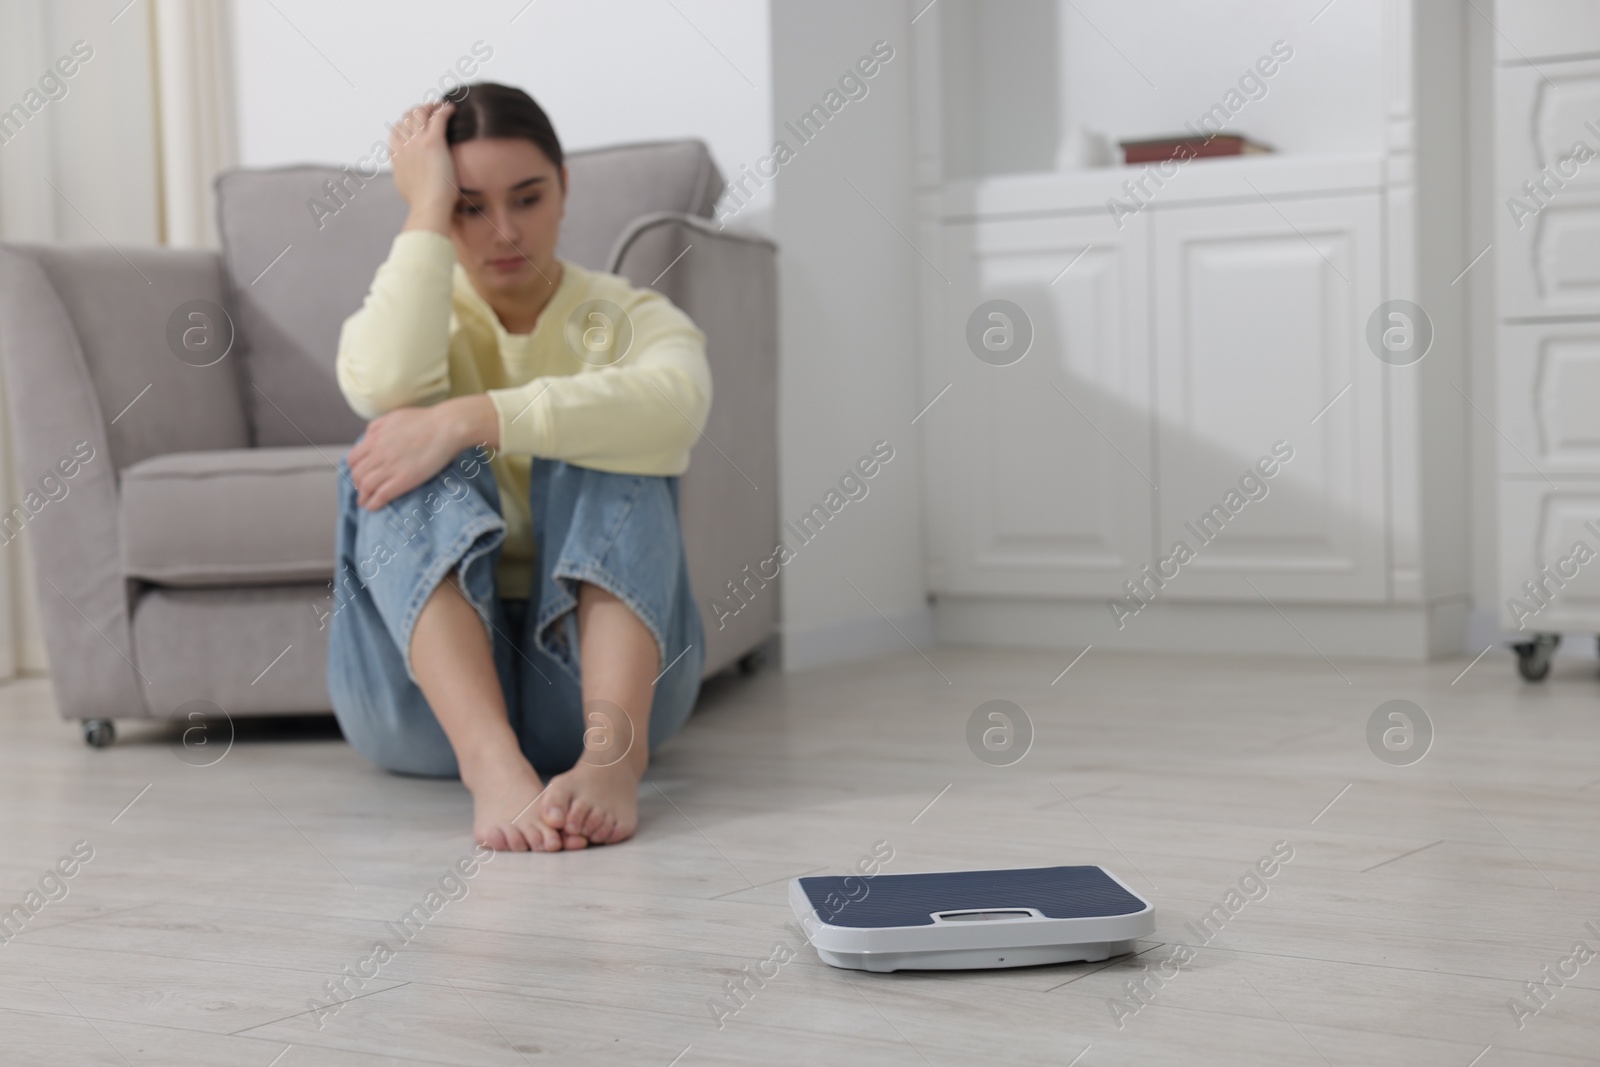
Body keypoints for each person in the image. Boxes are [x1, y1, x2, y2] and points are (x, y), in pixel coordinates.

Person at [327, 82, 709, 852]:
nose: (504, 231)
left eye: (527, 198)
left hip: (596, 696)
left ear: (565, 188)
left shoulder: (631, 316)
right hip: (420, 709)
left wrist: (475, 416)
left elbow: (678, 407)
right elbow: (378, 385)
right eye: (469, 206)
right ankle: (491, 763)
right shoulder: (420, 310)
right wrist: (425, 209)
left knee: (616, 431)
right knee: (400, 433)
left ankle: (611, 759)